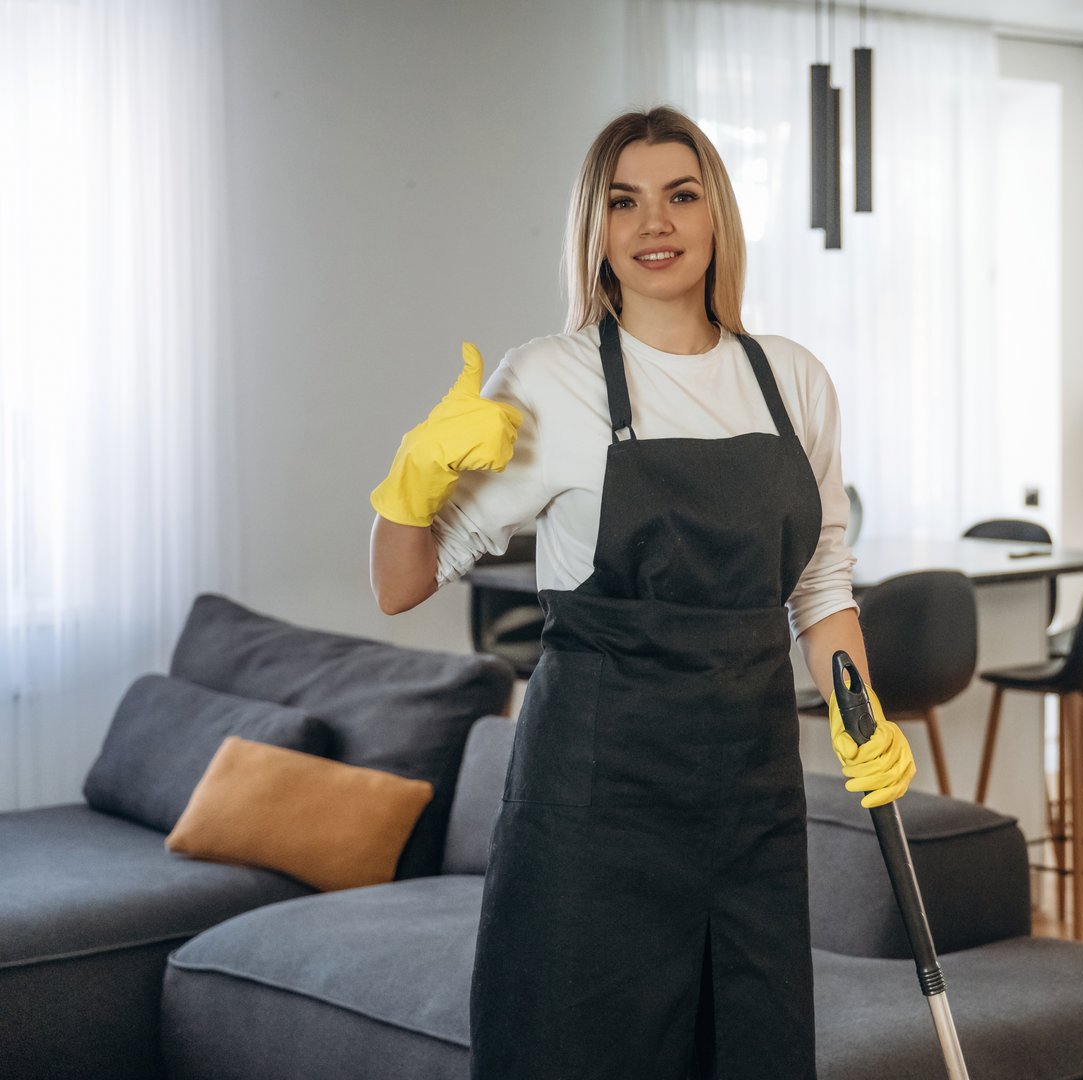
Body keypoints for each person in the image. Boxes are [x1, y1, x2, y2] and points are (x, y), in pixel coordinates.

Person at [367, 106, 916, 1079]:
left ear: (717, 217)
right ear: (597, 227)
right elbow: (400, 584)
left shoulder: (791, 380)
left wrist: (857, 712)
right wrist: (412, 478)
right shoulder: (551, 380)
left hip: (752, 804)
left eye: (680, 196)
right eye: (624, 202)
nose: (654, 223)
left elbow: (820, 576)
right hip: (592, 808)